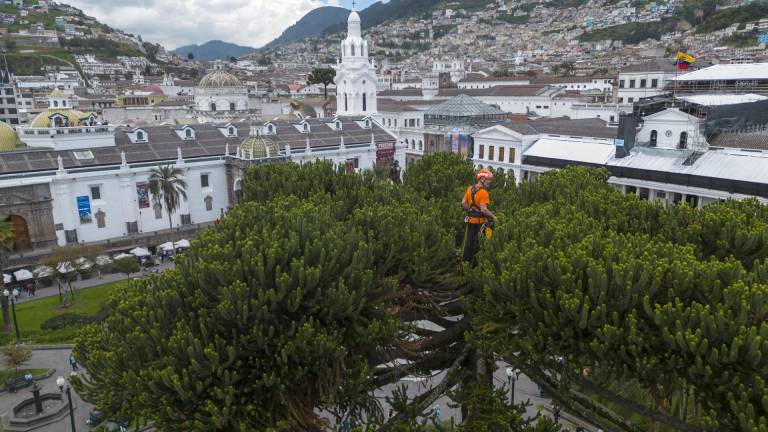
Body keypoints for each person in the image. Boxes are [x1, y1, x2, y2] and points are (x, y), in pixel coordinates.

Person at [461, 169, 497, 265]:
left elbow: (463, 203)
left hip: (470, 222)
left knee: (468, 245)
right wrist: (494, 217)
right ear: (482, 179)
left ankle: (465, 265)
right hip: (480, 224)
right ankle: (478, 266)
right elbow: (484, 210)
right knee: (480, 245)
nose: (490, 182)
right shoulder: (484, 193)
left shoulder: (469, 189)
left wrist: (471, 211)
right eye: (488, 179)